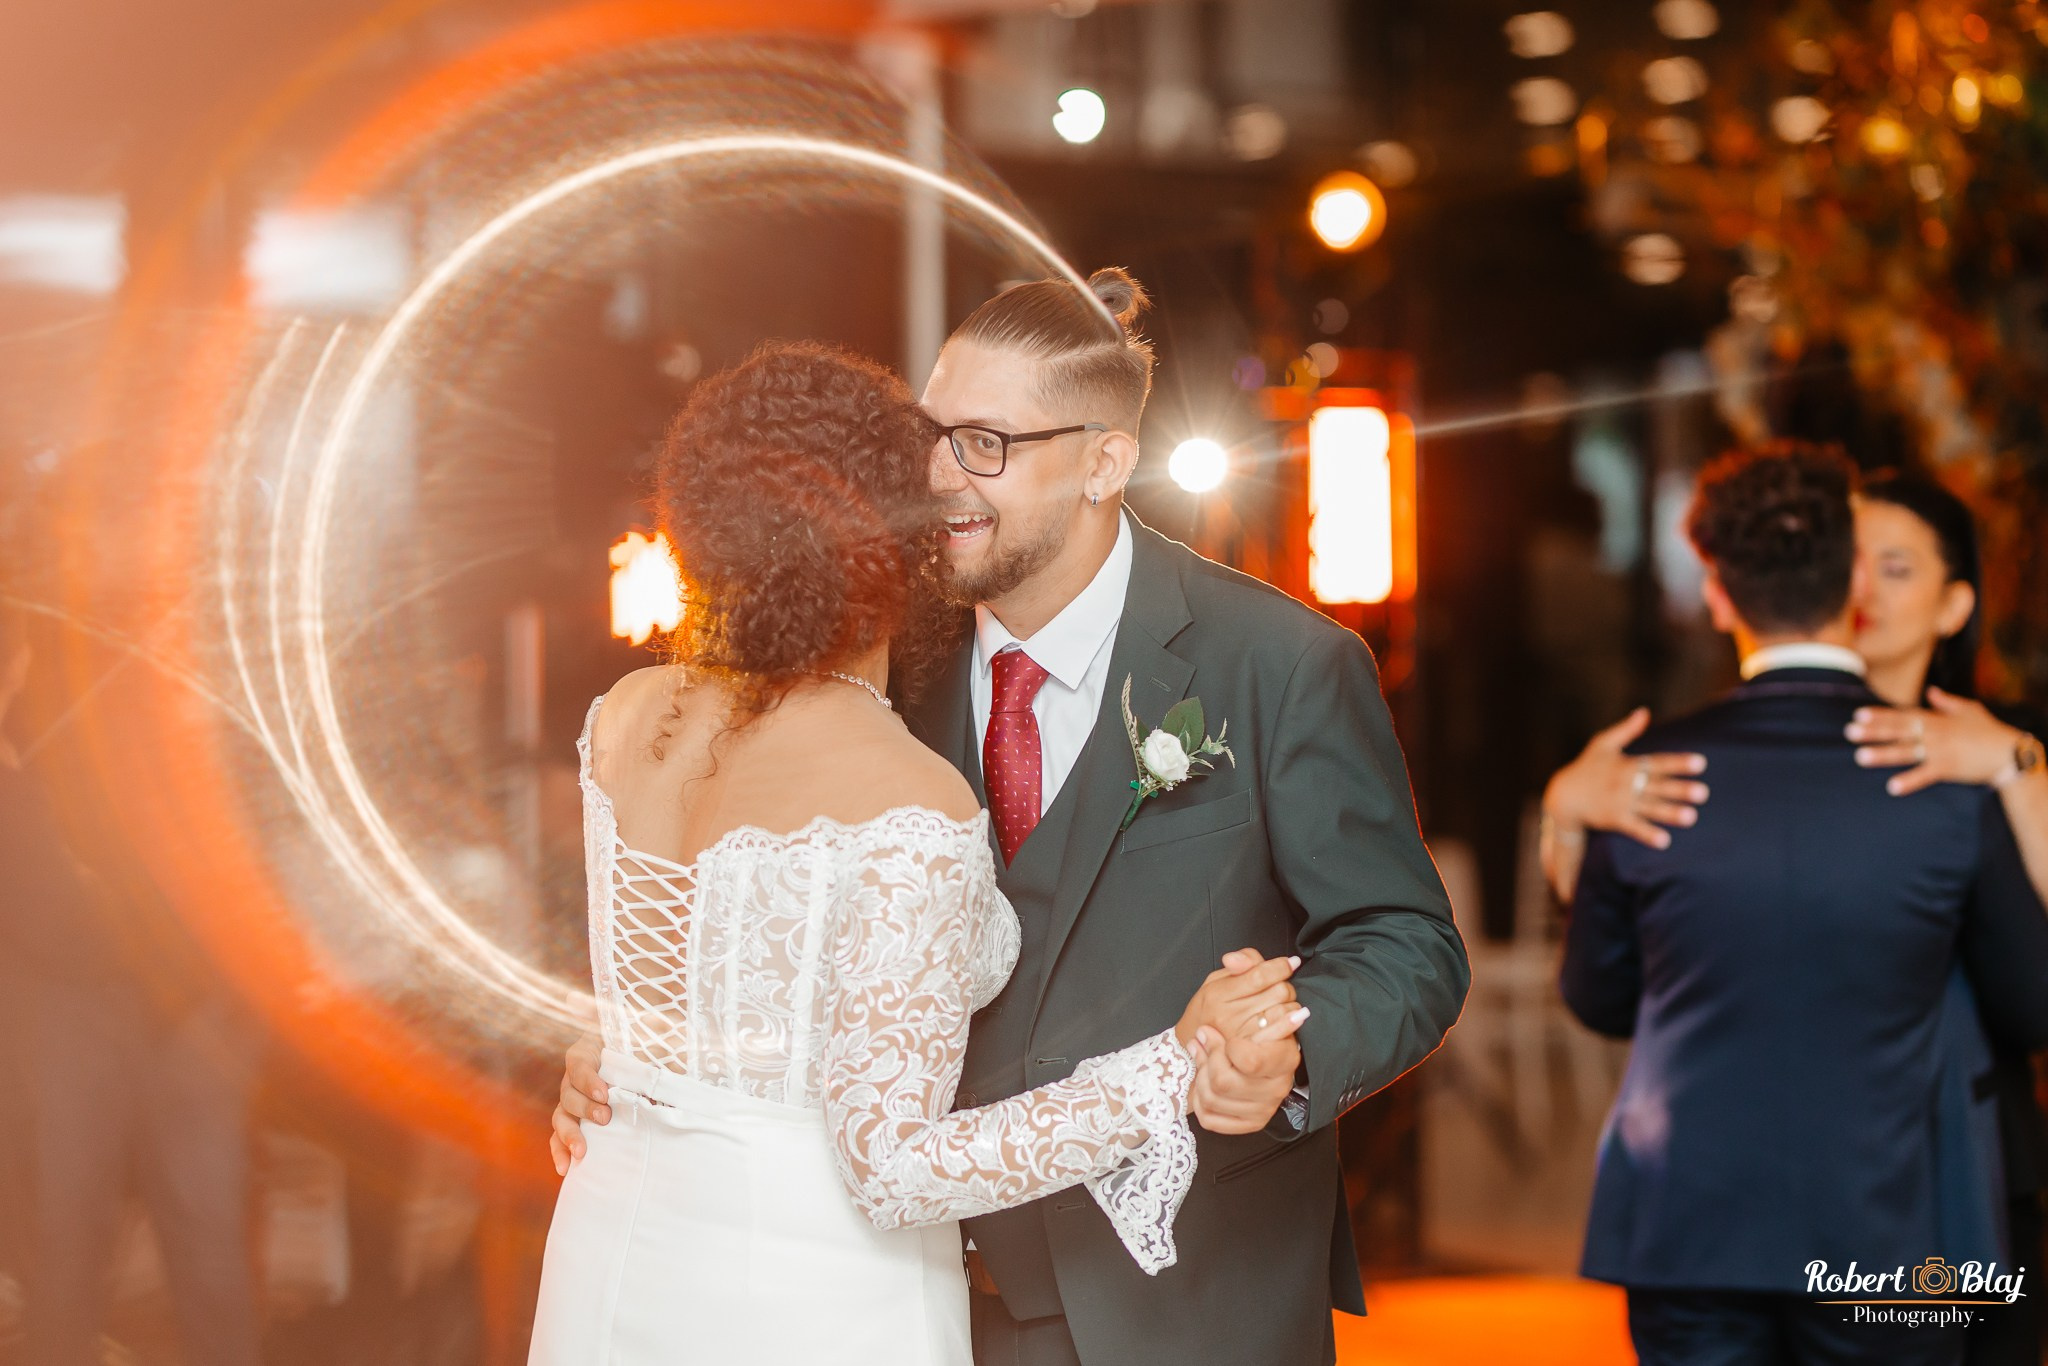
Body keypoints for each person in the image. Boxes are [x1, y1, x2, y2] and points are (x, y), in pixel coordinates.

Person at [549, 272, 1470, 1366]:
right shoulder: (873, 652)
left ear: (1102, 462)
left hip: (1185, 1300)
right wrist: (639, 1055)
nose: (940, 477)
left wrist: (1289, 1050)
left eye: (984, 442)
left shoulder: (1279, 663)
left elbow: (1404, 943)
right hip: (916, 1289)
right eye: (928, 435)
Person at [1557, 442, 2048, 1365]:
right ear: (1853, 580)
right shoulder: (1947, 780)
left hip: (1690, 1229)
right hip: (1891, 1237)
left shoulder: (1639, 782)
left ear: (1716, 591)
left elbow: (1599, 997)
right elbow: (2032, 1001)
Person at [0, 604, 263, 1366]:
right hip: (130, 1025)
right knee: (103, 1248)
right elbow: (56, 917)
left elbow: (70, 915)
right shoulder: (36, 760)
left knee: (102, 1248)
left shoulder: (56, 750)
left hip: (151, 1028)